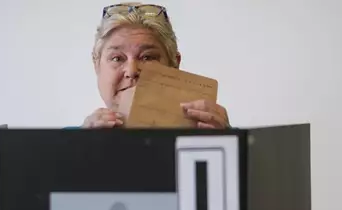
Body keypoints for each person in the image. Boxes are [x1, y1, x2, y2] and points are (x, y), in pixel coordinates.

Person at [82, 3, 231, 129]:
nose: (132, 71)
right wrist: (76, 145)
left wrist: (229, 140)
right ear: (97, 65)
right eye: (117, 58)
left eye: (147, 57)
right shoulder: (69, 142)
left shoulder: (213, 132)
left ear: (174, 64)